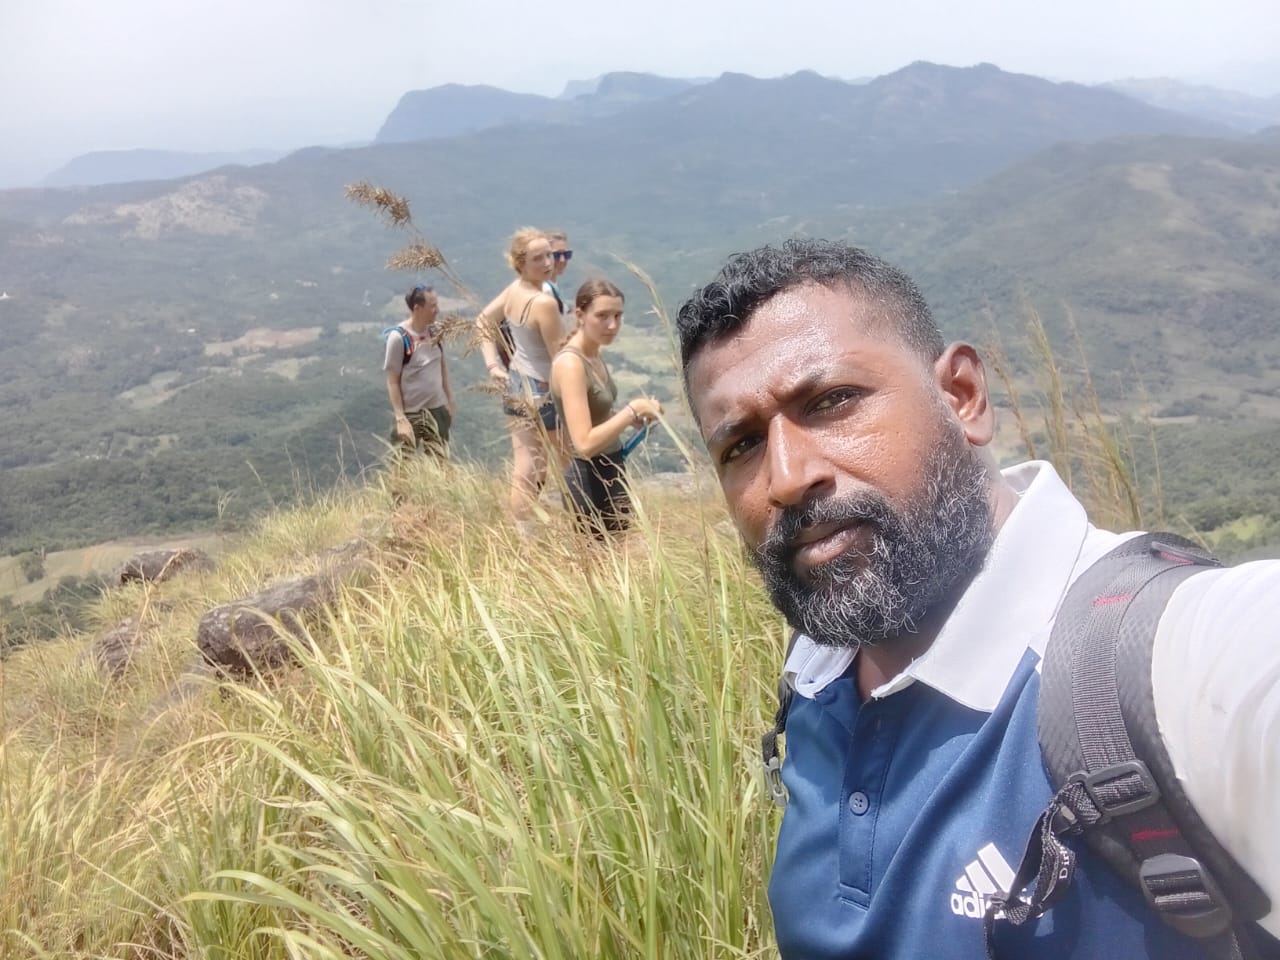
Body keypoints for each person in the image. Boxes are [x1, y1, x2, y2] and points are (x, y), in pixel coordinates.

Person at [675, 238, 1280, 959]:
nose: (785, 477)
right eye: (741, 446)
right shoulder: (816, 664)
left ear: (962, 396)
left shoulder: (1169, 669)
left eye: (833, 401)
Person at [550, 279, 661, 537]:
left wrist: (630, 419)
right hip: (589, 480)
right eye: (602, 316)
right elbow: (584, 443)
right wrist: (631, 411)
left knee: (619, 556)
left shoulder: (593, 354)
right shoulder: (571, 365)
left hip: (611, 469)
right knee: (600, 558)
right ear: (580, 315)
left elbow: (594, 415)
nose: (612, 325)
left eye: (618, 316)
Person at [477, 228, 565, 528]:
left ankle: (525, 538)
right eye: (537, 258)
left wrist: (493, 365)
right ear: (520, 264)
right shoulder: (544, 303)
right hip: (545, 389)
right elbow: (560, 357)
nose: (548, 263)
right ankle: (586, 533)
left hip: (516, 384)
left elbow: (483, 320)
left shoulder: (514, 290)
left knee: (526, 466)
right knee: (570, 463)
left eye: (549, 255)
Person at [385, 283, 453, 459]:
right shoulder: (399, 338)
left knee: (440, 464)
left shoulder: (436, 332)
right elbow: (392, 380)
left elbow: (442, 366)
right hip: (410, 413)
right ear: (417, 308)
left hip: (437, 409)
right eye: (433, 306)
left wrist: (449, 400)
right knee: (402, 466)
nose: (437, 310)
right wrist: (400, 418)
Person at [545, 230, 572, 315]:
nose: (562, 260)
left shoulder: (553, 287)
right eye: (556, 255)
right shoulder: (545, 291)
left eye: (566, 254)